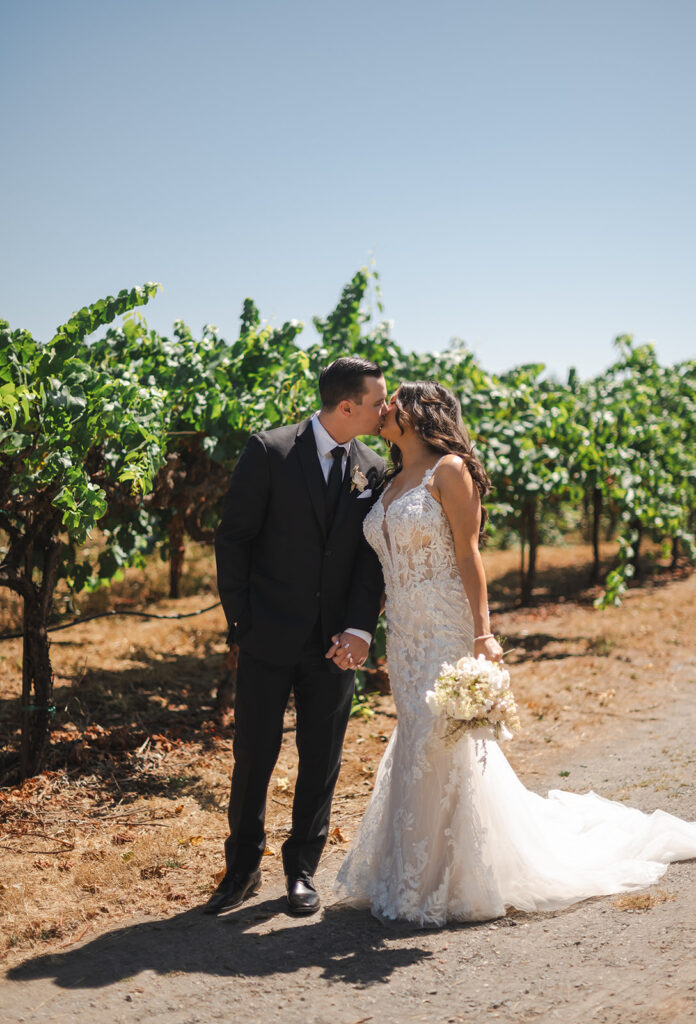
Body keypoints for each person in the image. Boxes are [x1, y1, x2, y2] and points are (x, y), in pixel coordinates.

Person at [334, 380, 696, 926]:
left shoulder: (450, 470)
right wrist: (363, 628)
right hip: (403, 635)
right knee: (417, 734)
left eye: (393, 402)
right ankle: (412, 866)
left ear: (418, 414)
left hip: (445, 625)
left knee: (444, 735)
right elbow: (383, 567)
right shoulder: (387, 480)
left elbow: (469, 553)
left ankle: (456, 873)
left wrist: (483, 633)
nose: (383, 410)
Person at [206, 357, 388, 916]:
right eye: (379, 402)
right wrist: (243, 624)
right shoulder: (270, 451)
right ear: (347, 406)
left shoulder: (374, 466)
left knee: (322, 758)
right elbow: (233, 539)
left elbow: (368, 559)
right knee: (253, 755)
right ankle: (241, 870)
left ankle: (302, 870)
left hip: (335, 645)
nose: (387, 411)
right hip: (268, 636)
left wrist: (359, 629)